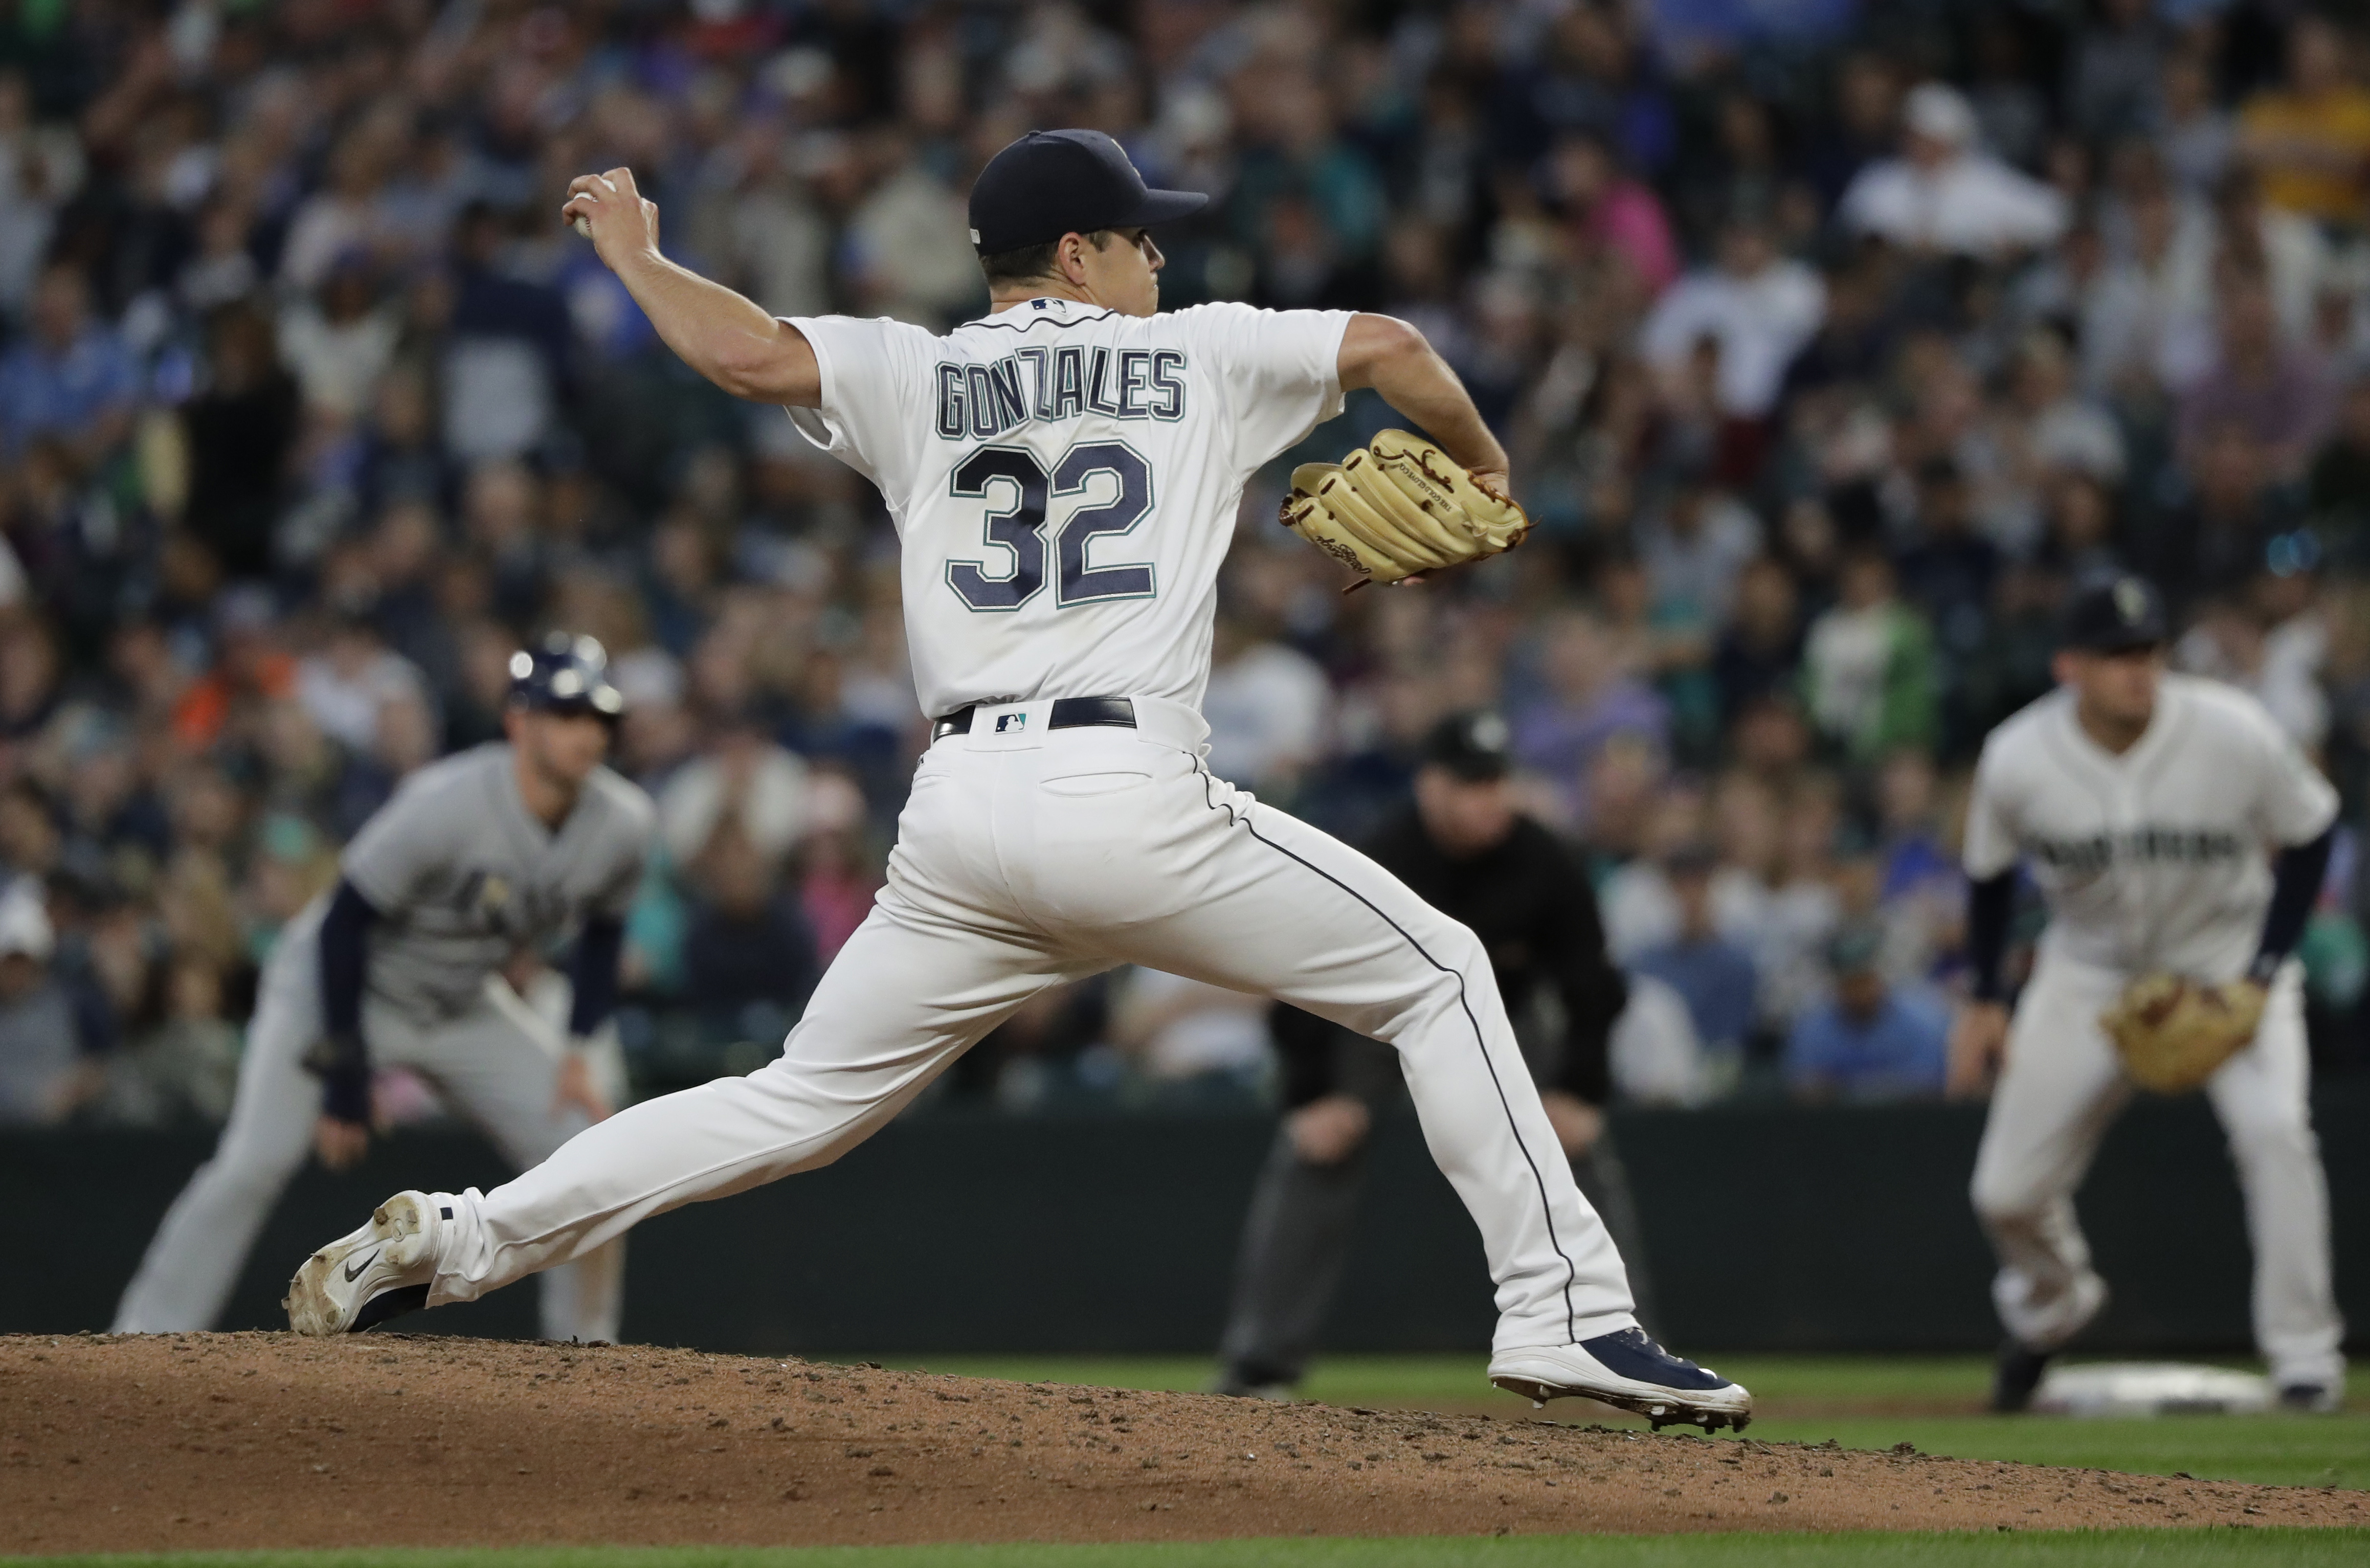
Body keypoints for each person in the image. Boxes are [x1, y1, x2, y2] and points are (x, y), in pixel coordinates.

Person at [283, 130, 1750, 1431]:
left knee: (790, 1099)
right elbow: (1391, 346)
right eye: (1141, 236)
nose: (1161, 258)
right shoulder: (1204, 355)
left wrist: (639, 257)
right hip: (1125, 790)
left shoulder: (916, 370)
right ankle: (1565, 1314)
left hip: (962, 818)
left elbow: (745, 357)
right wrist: (1484, 463)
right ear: (1078, 251)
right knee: (1438, 973)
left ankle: (463, 1238)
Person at [114, 635, 654, 1343]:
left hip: (459, 1001)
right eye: (566, 713)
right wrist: (346, 1070)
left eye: (598, 717)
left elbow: (604, 935)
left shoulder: (622, 822)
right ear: (519, 720)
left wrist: (578, 1049)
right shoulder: (447, 800)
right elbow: (344, 923)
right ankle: (144, 1335)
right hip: (336, 987)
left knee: (587, 1150)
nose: (586, 732)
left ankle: (587, 1349)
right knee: (253, 1162)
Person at [1948, 576, 2345, 1414]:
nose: (2137, 669)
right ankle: (2052, 1309)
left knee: (2276, 1134)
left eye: (2147, 650)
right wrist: (1984, 998)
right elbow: (1987, 878)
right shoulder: (2016, 755)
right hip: (2086, 975)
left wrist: (2262, 973)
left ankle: (2304, 1358)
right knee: (2004, 1194)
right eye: (2114, 655)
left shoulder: (2231, 728)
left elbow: (2310, 833)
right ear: (2068, 666)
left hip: (2225, 967)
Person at [1213, 711, 1647, 1397]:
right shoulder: (1382, 851)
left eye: (1496, 781)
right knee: (1314, 1152)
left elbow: (1590, 981)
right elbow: (1297, 968)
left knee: (1573, 1148)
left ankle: (1617, 1345)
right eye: (1472, 783)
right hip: (1376, 1021)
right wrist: (1310, 1094)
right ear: (1430, 786)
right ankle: (1259, 1365)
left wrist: (1579, 1088)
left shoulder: (1541, 857)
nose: (1489, 799)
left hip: (1501, 1020)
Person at [1783, 921, 1949, 1102]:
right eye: (1851, 983)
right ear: (1836, 985)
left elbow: (1928, 1089)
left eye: (1865, 980)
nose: (1860, 991)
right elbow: (1805, 1090)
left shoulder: (1921, 1020)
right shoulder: (1812, 1029)